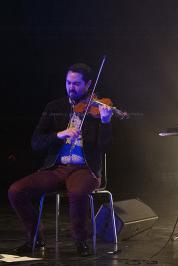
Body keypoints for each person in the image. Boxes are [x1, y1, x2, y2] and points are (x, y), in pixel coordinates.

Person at [8, 63, 113, 257]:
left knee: (78, 192)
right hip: (56, 167)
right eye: (68, 82)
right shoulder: (54, 107)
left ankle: (80, 241)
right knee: (16, 190)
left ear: (88, 84)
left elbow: (104, 148)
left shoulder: (97, 110)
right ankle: (35, 239)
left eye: (76, 83)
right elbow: (36, 142)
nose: (71, 87)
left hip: (85, 168)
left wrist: (106, 123)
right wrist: (59, 134)